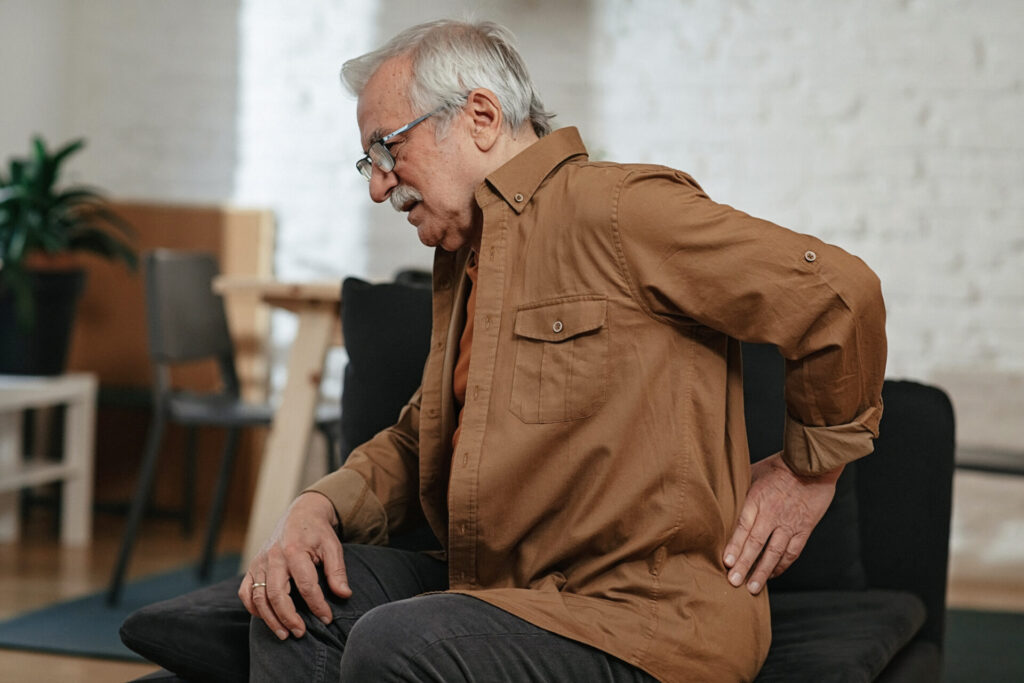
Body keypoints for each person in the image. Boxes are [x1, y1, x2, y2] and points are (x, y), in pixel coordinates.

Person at [122, 19, 886, 682]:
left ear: (480, 116)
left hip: (647, 622)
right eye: (368, 164)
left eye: (387, 150)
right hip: (503, 598)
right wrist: (314, 506)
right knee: (303, 599)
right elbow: (419, 434)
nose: (379, 186)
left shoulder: (618, 209)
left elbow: (838, 293)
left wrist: (808, 472)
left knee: (397, 642)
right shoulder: (467, 262)